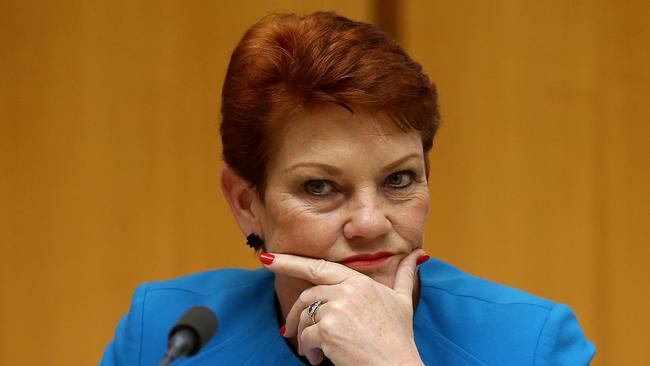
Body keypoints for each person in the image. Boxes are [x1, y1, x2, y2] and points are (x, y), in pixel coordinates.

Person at [101, 11, 595, 365]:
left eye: (398, 180)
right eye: (319, 187)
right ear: (245, 202)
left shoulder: (532, 342)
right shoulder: (171, 331)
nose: (369, 223)